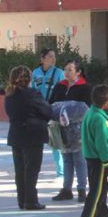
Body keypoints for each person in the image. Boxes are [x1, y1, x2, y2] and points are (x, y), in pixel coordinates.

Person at [4, 65, 52, 211]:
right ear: (28, 79)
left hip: (16, 135)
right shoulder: (32, 94)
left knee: (20, 170)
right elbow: (47, 111)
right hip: (32, 135)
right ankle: (31, 201)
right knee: (32, 170)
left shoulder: (9, 95)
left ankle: (22, 199)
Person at [78, 85, 108, 217]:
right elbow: (102, 143)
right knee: (96, 190)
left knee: (102, 188)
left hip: (91, 157)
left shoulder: (90, 113)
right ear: (107, 102)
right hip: (99, 160)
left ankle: (102, 215)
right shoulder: (100, 119)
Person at [49, 59, 91, 203]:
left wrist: (70, 117)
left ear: (78, 72)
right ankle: (66, 189)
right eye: (65, 69)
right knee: (66, 159)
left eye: (70, 70)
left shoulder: (85, 88)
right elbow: (51, 104)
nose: (66, 72)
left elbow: (86, 109)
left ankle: (81, 190)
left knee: (79, 160)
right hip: (61, 129)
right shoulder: (59, 87)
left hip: (78, 130)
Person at [31, 48, 65, 182]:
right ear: (42, 59)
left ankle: (61, 172)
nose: (53, 59)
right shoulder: (35, 73)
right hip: (39, 112)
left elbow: (63, 90)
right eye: (50, 56)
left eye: (54, 56)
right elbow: (32, 90)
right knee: (37, 142)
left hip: (53, 110)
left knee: (55, 141)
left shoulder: (59, 73)